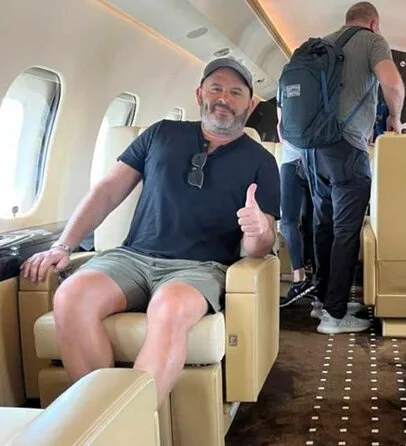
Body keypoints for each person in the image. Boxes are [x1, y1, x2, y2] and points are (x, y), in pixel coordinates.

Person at [20, 57, 281, 408]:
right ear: (199, 94)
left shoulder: (262, 162)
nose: (224, 98)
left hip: (200, 267)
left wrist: (258, 229)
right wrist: (63, 245)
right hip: (131, 258)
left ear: (249, 106)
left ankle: (128, 422)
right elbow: (107, 191)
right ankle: (106, 420)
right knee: (71, 296)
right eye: (216, 88)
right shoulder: (160, 134)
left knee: (170, 309)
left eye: (235, 93)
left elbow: (260, 247)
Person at [280, 1, 405, 334]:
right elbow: (392, 83)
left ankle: (322, 301)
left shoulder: (322, 44)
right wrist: (395, 116)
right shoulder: (372, 41)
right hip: (347, 148)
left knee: (323, 225)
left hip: (311, 151)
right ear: (373, 23)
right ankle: (335, 315)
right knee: (346, 230)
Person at [278, 137, 316, 307]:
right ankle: (316, 278)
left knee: (288, 221)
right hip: (316, 163)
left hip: (291, 163)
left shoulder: (286, 115)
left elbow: (281, 131)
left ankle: (299, 278)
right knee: (312, 222)